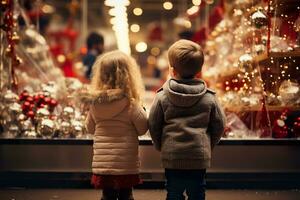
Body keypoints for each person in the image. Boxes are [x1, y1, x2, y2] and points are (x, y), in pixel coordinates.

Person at [148, 39, 226, 200]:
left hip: (172, 155)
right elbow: (219, 124)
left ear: (172, 70)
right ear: (199, 70)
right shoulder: (209, 98)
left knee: (173, 193)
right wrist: (207, 144)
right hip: (199, 155)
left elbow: (153, 124)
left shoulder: (162, 96)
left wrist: (160, 145)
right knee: (197, 192)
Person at [81, 50, 148, 200]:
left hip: (103, 164)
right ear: (129, 75)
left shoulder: (95, 104)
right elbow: (143, 128)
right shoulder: (131, 104)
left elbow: (90, 128)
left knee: (107, 195)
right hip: (126, 164)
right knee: (126, 195)